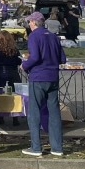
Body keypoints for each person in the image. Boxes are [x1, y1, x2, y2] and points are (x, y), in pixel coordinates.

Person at [22, 11, 66, 157]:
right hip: (53, 77)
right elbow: (62, 59)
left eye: (29, 22)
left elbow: (35, 57)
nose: (29, 24)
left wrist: (25, 65)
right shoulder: (53, 36)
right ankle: (57, 147)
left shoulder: (34, 36)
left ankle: (36, 147)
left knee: (34, 112)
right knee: (54, 112)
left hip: (38, 77)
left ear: (34, 23)